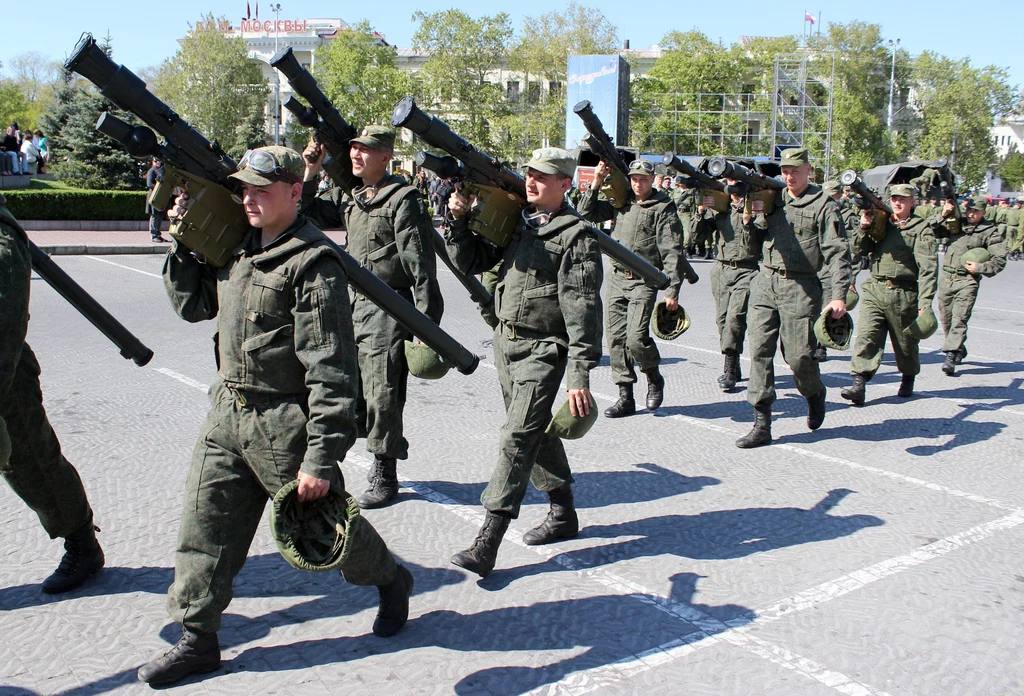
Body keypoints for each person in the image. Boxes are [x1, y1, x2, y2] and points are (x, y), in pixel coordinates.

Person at [140, 146, 412, 685]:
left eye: (262, 189)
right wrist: (183, 244)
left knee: (326, 537)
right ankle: (198, 637)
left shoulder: (314, 265)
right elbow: (193, 307)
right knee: (205, 524)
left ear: (295, 191)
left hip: (284, 426)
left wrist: (320, 458)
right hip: (227, 412)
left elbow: (332, 371)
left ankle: (390, 578)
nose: (249, 198)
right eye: (244, 189)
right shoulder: (237, 249)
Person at [444, 148, 603, 577]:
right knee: (533, 432)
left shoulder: (577, 237)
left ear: (566, 184)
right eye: (530, 174)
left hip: (543, 350)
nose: (532, 182)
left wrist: (580, 375)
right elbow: (471, 261)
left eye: (544, 178)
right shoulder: (520, 222)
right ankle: (564, 511)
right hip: (506, 344)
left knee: (516, 436)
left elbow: (583, 309)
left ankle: (488, 539)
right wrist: (458, 221)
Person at [301, 127, 443, 509]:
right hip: (349, 305)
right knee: (344, 387)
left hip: (387, 307)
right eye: (354, 150)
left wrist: (426, 328)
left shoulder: (403, 199)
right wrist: (312, 172)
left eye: (366, 151)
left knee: (383, 392)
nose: (356, 156)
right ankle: (330, 464)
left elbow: (421, 267)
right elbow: (305, 211)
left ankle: (385, 471)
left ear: (386, 157)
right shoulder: (353, 198)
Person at [0, 194, 105, 594]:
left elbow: (4, 328)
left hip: (5, 374)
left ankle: (82, 543)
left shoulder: (3, 241)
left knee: (33, 463)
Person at [736, 147, 851, 449]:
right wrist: (748, 219)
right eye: (785, 171)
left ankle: (814, 393)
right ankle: (762, 423)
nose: (789, 176)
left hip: (802, 288)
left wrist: (838, 296)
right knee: (760, 351)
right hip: (766, 282)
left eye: (795, 171)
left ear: (808, 170)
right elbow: (752, 243)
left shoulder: (824, 205)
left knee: (799, 357)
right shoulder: (775, 197)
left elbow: (837, 253)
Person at [577, 158, 683, 417]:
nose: (638, 184)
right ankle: (625, 396)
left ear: (652, 179)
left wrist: (672, 290)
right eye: (634, 179)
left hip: (644, 281)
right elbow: (585, 212)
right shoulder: (621, 203)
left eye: (643, 179)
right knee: (615, 340)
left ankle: (653, 376)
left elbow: (672, 251)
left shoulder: (662, 208)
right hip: (617, 278)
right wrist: (597, 181)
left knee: (636, 339)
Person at [840, 184, 939, 404]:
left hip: (904, 293)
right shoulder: (881, 222)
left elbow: (928, 268)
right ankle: (859, 383)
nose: (897, 202)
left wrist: (925, 303)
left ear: (913, 202)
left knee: (905, 344)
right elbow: (858, 250)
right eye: (894, 198)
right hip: (875, 288)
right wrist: (864, 226)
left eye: (903, 199)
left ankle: (908, 375)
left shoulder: (920, 229)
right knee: (867, 336)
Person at [700, 181, 764, 391]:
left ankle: (729, 367)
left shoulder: (757, 206)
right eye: (729, 184)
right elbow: (698, 236)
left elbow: (759, 240)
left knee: (735, 319)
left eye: (736, 183)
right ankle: (734, 362)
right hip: (722, 270)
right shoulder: (721, 206)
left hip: (746, 270)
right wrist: (700, 211)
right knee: (722, 321)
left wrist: (748, 222)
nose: (733, 188)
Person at [935, 195, 1006, 376]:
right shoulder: (956, 223)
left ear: (983, 212)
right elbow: (933, 231)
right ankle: (958, 347)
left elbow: (999, 260)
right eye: (970, 210)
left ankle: (950, 356)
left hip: (967, 280)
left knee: (960, 319)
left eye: (976, 211)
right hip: (947, 278)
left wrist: (980, 267)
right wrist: (942, 214)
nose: (972, 214)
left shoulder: (989, 232)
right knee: (946, 320)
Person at [145, 157, 169, 243]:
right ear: (152, 162)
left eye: (159, 161)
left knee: (159, 215)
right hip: (154, 195)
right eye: (155, 161)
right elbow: (149, 184)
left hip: (160, 196)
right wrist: (159, 188)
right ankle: (154, 235)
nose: (157, 162)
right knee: (155, 215)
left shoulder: (161, 170)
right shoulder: (152, 170)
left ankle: (158, 234)